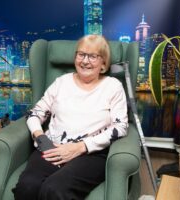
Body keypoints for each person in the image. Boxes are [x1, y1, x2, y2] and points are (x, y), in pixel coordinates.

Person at [12, 34, 128, 200]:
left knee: (55, 190)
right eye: (81, 54)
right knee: (27, 187)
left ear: (103, 63)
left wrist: (80, 147)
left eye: (93, 56)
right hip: (51, 146)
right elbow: (35, 113)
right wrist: (41, 138)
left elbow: (120, 126)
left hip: (90, 153)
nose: (85, 61)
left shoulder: (112, 86)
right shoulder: (61, 82)